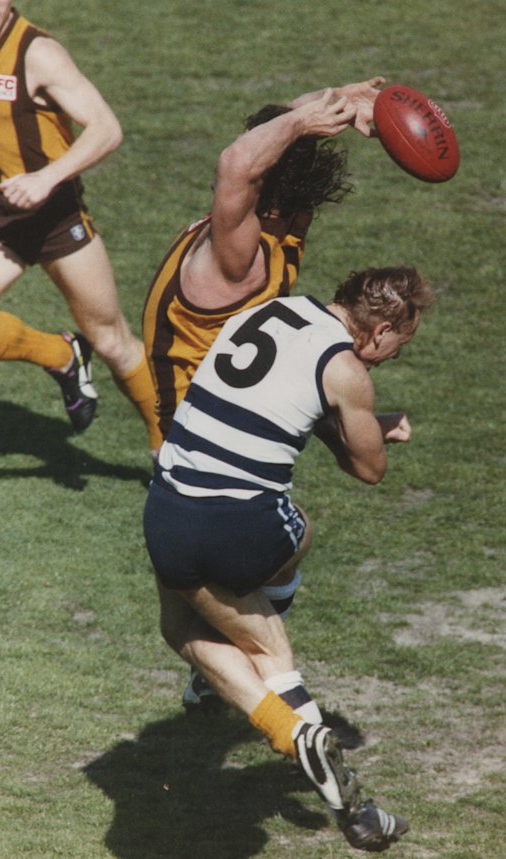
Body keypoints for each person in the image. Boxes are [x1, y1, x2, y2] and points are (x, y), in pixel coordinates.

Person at [143, 265, 435, 851]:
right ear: (379, 331)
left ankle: (228, 697)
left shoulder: (268, 310)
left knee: (181, 627)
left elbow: (281, 401)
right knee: (286, 575)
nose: (388, 360)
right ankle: (311, 750)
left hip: (167, 509)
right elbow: (368, 468)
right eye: (395, 350)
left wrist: (348, 426)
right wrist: (376, 429)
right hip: (240, 525)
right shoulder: (347, 369)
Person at [142, 76, 384, 706]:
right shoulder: (244, 254)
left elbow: (248, 161)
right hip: (200, 440)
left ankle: (246, 688)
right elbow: (241, 161)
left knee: (192, 620)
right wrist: (312, 113)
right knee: (208, 607)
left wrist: (322, 106)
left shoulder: (246, 234)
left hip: (208, 441)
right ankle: (263, 693)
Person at [0, 0, 159, 446]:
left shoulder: (39, 54)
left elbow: (107, 128)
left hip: (55, 214)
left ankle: (167, 446)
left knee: (111, 341)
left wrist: (45, 178)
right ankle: (61, 356)